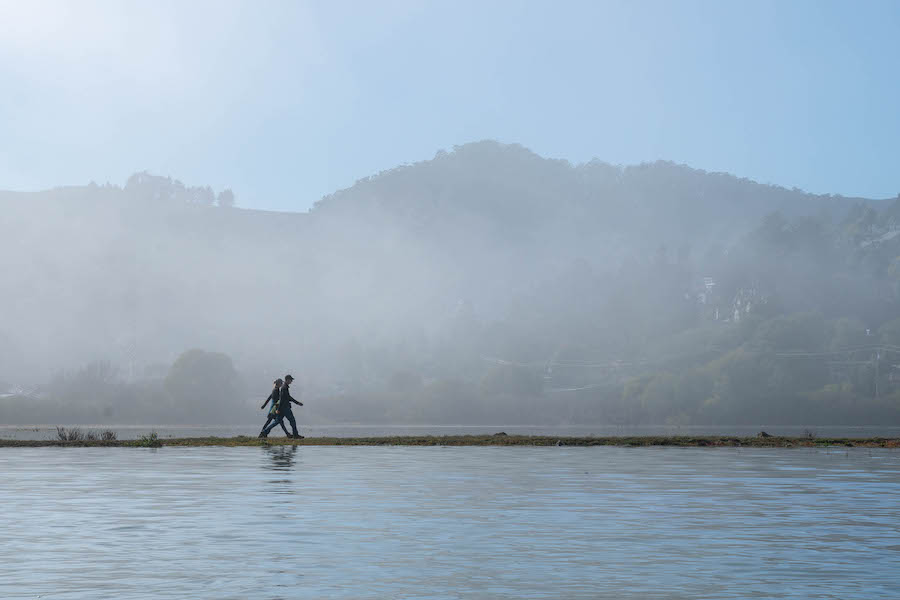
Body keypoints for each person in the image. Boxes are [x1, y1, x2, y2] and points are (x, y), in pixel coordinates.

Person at [262, 373, 304, 439]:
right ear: (287, 380)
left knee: (276, 422)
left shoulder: (284, 387)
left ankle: (264, 432)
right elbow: (284, 399)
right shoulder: (284, 388)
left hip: (282, 408)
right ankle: (295, 435)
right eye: (291, 380)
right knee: (292, 420)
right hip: (285, 408)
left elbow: (285, 398)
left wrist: (279, 409)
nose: (291, 381)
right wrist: (297, 403)